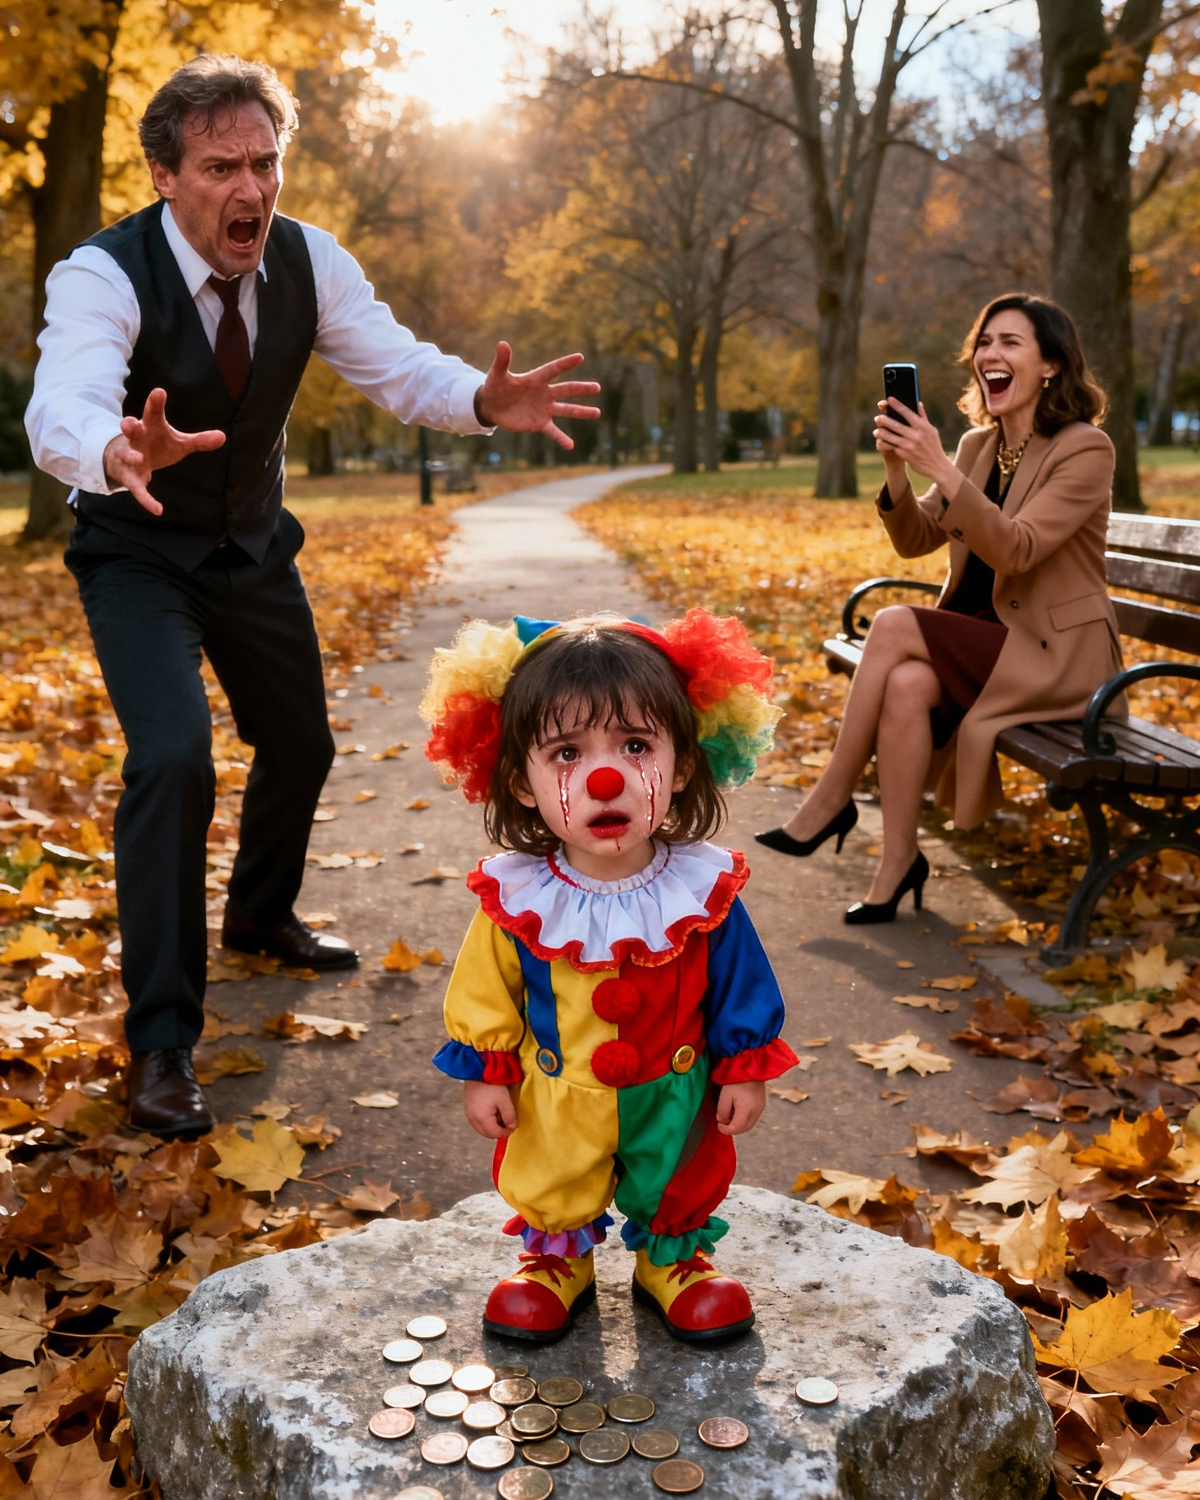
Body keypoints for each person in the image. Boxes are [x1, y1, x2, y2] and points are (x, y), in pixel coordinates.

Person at [23, 55, 601, 1142]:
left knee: (302, 743)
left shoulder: (308, 261)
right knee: (173, 759)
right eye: (220, 168)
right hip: (137, 555)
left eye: (266, 162)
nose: (251, 190)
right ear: (164, 174)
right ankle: (160, 1044)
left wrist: (480, 395)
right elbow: (63, 398)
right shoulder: (101, 276)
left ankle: (258, 913)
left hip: (251, 548)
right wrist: (110, 444)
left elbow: (395, 368)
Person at [422, 611, 798, 1344]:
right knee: (554, 1166)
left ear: (683, 765)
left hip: (677, 1090)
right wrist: (488, 1071)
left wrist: (744, 1067)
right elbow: (483, 988)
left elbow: (741, 982)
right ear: (521, 782)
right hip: (556, 1096)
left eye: (636, 745)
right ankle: (559, 1261)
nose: (606, 777)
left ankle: (675, 1257)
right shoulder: (516, 898)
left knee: (679, 1166)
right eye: (566, 752)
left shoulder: (705, 889)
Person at [755, 292, 1120, 923]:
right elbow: (916, 539)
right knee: (907, 682)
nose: (990, 354)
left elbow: (1018, 548)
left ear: (1052, 365)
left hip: (1055, 656)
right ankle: (898, 862)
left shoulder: (1084, 448)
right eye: (984, 342)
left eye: (1010, 342)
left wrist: (940, 471)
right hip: (987, 640)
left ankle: (832, 796)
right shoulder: (981, 446)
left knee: (895, 622)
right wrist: (899, 469)